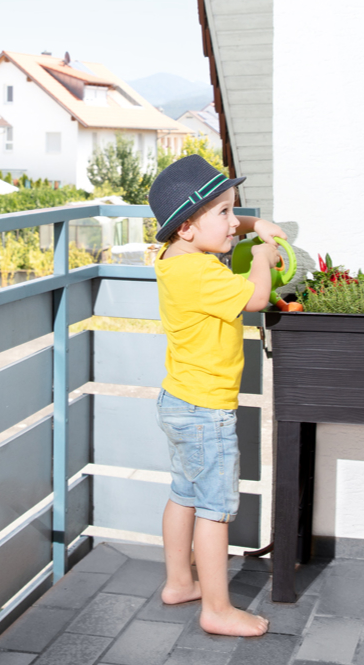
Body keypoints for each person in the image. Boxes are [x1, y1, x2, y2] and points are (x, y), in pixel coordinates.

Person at [148, 155, 285, 637]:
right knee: (213, 508)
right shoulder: (203, 275)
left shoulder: (174, 259)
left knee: (183, 495)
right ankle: (218, 609)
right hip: (206, 411)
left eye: (234, 211)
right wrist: (263, 259)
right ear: (187, 227)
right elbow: (254, 298)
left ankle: (178, 582)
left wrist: (251, 221)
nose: (235, 223)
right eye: (225, 214)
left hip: (179, 402)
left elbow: (212, 227)